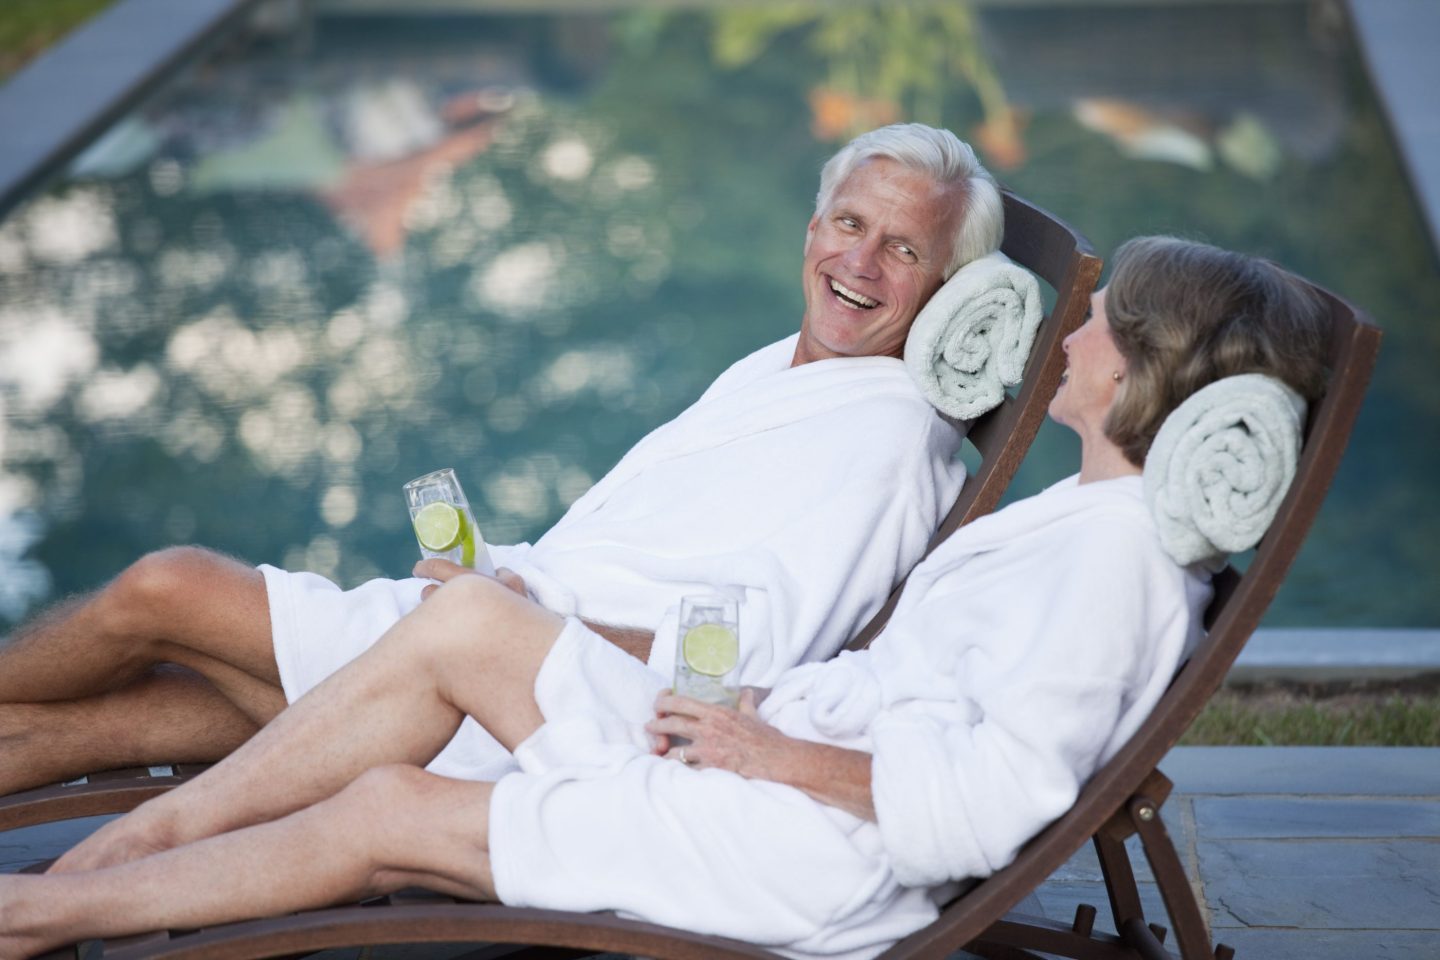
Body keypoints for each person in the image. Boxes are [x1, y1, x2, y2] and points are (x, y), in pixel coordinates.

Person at [0, 236, 1330, 960]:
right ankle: (131, 855)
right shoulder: (1089, 522)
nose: (1067, 336)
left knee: (388, 808)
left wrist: (768, 748)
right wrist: (754, 713)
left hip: (804, 841)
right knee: (467, 623)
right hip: (765, 747)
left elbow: (991, 802)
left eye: (1098, 323)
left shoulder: (1115, 564)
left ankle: (52, 907)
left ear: (1139, 369)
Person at [0, 123, 1005, 794]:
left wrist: (526, 618)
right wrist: (510, 589)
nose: (859, 264)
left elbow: (747, 667)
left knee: (167, 589)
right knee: (150, 711)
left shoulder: (884, 440)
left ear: (946, 288)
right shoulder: (790, 370)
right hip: (511, 629)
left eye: (904, 250)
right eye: (850, 224)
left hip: (545, 698)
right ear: (813, 227)